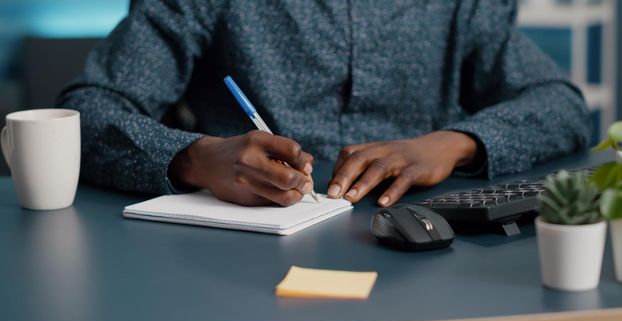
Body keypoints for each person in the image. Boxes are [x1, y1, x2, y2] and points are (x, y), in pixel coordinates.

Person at [58, 0, 590, 208]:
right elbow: (86, 113)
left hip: (420, 240)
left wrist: (453, 145)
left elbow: (560, 105)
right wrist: (195, 157)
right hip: (235, 253)